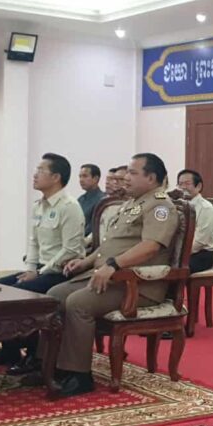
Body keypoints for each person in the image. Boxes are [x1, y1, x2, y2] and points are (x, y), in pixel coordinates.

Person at [34, 153, 179, 397]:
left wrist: (113, 264)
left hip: (137, 284)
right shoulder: (134, 203)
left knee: (78, 303)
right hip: (110, 276)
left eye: (133, 173)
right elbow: (110, 245)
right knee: (54, 295)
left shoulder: (160, 206)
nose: (126, 177)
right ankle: (48, 366)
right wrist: (85, 262)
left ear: (151, 177)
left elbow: (151, 246)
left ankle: (79, 375)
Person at [0, 153, 85, 372]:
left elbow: (71, 250)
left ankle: (34, 355)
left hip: (60, 273)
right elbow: (33, 242)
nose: (34, 175)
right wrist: (30, 269)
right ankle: (9, 350)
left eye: (40, 170)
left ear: (56, 177)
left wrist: (40, 272)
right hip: (39, 270)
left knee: (17, 294)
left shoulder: (69, 207)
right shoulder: (39, 206)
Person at [177, 169, 213, 273]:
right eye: (180, 184)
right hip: (183, 251)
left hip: (202, 253)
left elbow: (200, 242)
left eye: (187, 184)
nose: (183, 187)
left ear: (198, 186)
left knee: (172, 269)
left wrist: (178, 254)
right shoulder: (180, 204)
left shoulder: (206, 208)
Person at [77, 163, 105, 237]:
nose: (81, 180)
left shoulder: (102, 200)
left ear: (96, 179)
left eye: (85, 176)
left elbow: (93, 227)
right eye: (80, 177)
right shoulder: (80, 199)